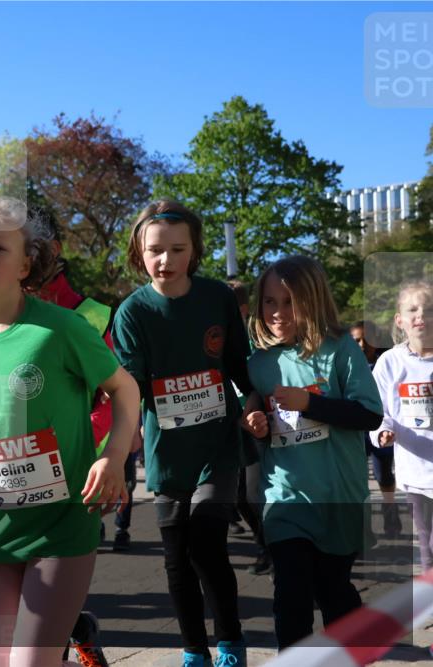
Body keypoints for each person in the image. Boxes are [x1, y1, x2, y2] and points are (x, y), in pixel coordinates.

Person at [0, 197, 140, 667]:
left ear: (27, 262)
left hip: (61, 526)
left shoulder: (60, 330)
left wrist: (114, 456)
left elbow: (125, 391)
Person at [112, 200, 250, 667]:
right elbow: (128, 386)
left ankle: (230, 644)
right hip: (167, 455)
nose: (165, 260)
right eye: (155, 250)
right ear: (139, 253)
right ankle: (194, 651)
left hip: (218, 447)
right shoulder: (132, 312)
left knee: (207, 543)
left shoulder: (217, 298)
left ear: (194, 251)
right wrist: (122, 439)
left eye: (177, 249)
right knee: (177, 559)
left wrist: (254, 402)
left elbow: (237, 363)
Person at [242, 256, 383, 649]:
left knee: (333, 592)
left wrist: (310, 402)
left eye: (289, 302)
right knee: (291, 596)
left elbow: (370, 415)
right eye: (269, 302)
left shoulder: (339, 350)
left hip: (338, 494)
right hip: (285, 496)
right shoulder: (258, 363)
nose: (278, 313)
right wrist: (254, 420)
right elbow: (253, 409)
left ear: (313, 300)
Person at [370, 281, 433, 570]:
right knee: (425, 540)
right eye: (413, 309)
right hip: (416, 469)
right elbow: (378, 409)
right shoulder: (390, 362)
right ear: (400, 320)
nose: (421, 315)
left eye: (429, 309)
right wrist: (382, 430)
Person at [226, 279, 272, 575]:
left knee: (253, 492)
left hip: (258, 427)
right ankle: (265, 542)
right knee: (239, 496)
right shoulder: (211, 340)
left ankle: (270, 548)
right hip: (229, 428)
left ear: (242, 310)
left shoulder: (258, 342)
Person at [349, 320, 401, 538]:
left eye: (366, 339)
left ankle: (391, 514)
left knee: (384, 475)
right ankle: (364, 526)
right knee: (359, 480)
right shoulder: (346, 366)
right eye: (356, 340)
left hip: (380, 428)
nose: (362, 345)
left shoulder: (387, 363)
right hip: (356, 433)